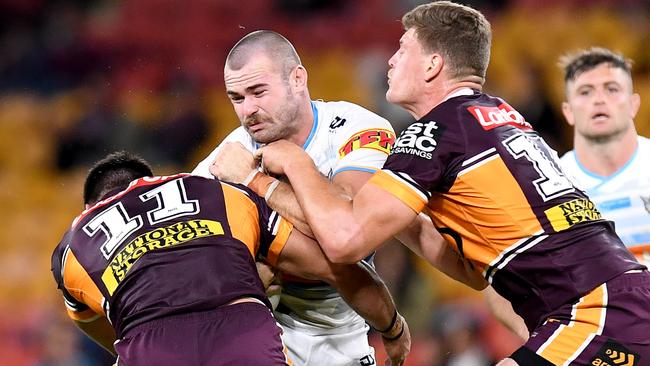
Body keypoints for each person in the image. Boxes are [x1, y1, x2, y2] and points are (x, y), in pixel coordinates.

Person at [254, 2, 650, 366]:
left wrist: (288, 165)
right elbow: (472, 271)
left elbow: (345, 241)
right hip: (617, 297)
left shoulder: (434, 131)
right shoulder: (498, 114)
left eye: (402, 48)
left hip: (592, 310)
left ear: (432, 65)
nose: (390, 60)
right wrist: (398, 214)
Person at [51, 151, 409, 366]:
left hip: (150, 340)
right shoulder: (221, 192)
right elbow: (337, 268)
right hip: (239, 328)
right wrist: (392, 326)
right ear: (152, 180)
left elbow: (99, 328)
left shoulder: (74, 244)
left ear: (91, 207)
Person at [193, 30, 410, 366]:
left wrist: (257, 181)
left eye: (258, 92)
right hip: (260, 336)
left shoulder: (358, 130)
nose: (248, 110)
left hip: (343, 332)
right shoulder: (223, 161)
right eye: (236, 98)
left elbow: (347, 227)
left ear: (297, 79)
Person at [559, 47, 650, 265]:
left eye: (611, 89)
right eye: (585, 92)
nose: (599, 99)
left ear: (633, 104)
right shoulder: (554, 186)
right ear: (568, 111)